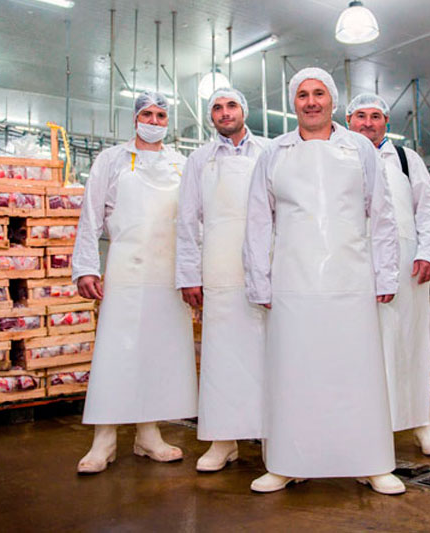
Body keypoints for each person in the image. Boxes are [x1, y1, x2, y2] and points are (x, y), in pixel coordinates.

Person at [243, 68, 404, 495]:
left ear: (333, 100)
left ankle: (371, 462)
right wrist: (258, 282)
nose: (310, 102)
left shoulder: (359, 149)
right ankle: (287, 462)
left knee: (356, 372)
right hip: (293, 280)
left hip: (350, 278)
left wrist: (385, 271)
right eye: (301, 95)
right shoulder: (275, 152)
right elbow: (258, 221)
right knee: (294, 372)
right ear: (293, 103)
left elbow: (382, 215)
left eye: (318, 94)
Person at [72, 91, 198, 473]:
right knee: (116, 350)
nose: (155, 121)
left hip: (168, 271)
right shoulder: (110, 160)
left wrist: (194, 272)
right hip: (127, 266)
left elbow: (194, 222)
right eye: (148, 113)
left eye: (162, 115)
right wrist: (87, 267)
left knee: (159, 350)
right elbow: (90, 215)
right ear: (134, 118)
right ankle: (104, 438)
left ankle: (149, 433)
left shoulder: (182, 163)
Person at [345, 93, 430, 457]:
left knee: (411, 343)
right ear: (348, 119)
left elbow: (428, 209)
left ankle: (422, 422)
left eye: (375, 116)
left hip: (406, 264)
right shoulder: (338, 154)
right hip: (354, 262)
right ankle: (366, 426)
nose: (367, 123)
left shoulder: (406, 158)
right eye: (360, 116)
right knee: (360, 347)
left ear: (387, 122)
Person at [176, 89, 269, 472]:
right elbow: (185, 221)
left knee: (268, 353)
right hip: (218, 267)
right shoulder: (199, 160)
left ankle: (271, 436)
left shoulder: (269, 151)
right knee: (222, 353)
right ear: (210, 116)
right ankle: (222, 439)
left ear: (244, 111)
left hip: (264, 263)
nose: (224, 112)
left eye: (231, 106)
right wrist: (188, 274)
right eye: (217, 107)